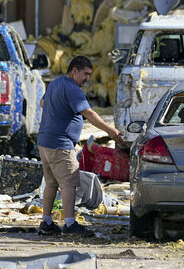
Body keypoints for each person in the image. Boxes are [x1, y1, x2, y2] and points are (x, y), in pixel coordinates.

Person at [36, 55, 124, 236]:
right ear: (74, 70)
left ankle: (46, 222)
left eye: (89, 75)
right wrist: (111, 131)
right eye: (85, 74)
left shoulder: (55, 83)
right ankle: (69, 224)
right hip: (60, 144)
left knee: (51, 184)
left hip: (45, 142)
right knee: (69, 183)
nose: (87, 79)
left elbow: (42, 103)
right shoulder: (72, 88)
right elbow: (89, 114)